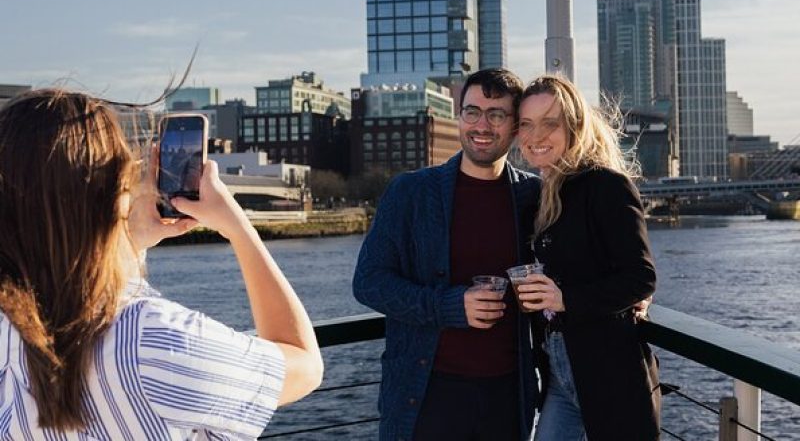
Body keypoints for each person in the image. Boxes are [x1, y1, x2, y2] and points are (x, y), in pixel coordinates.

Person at [0, 89, 323, 439]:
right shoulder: (151, 340)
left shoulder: (11, 329)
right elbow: (304, 365)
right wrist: (238, 228)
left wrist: (129, 241)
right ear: (112, 196)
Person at [352, 68, 541, 441]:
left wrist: (633, 294)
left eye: (497, 115)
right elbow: (369, 283)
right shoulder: (410, 192)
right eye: (472, 112)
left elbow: (585, 259)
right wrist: (451, 305)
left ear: (516, 126)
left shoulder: (534, 197)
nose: (481, 125)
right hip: (425, 398)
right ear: (459, 117)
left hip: (510, 397)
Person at [515, 75, 660, 440]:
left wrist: (566, 298)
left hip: (609, 374)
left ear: (574, 126)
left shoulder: (606, 186)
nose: (536, 135)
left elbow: (641, 278)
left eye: (550, 123)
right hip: (559, 373)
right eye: (526, 124)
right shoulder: (541, 194)